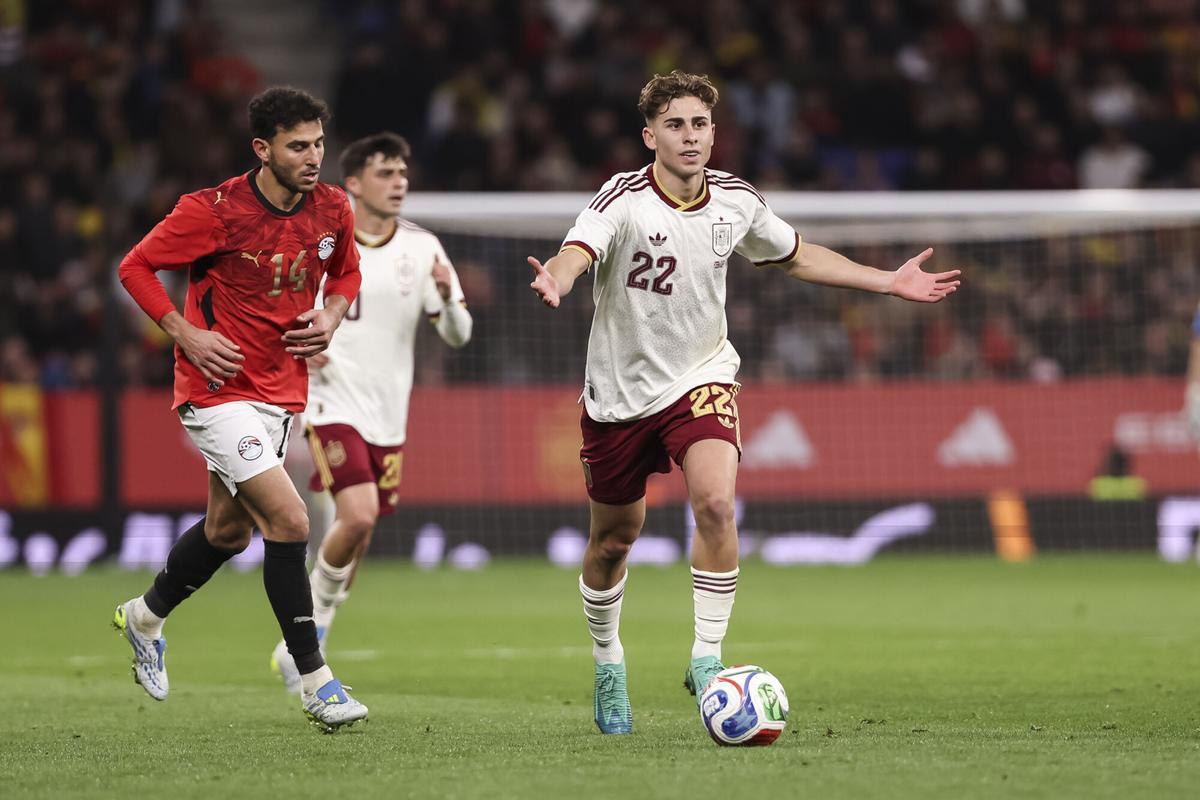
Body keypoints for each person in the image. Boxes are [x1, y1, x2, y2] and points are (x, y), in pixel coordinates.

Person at [527, 70, 960, 735]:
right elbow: (575, 252)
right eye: (675, 124)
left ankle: (706, 659)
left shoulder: (736, 200)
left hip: (703, 376)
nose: (690, 135)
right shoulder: (621, 199)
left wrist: (887, 282)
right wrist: (556, 280)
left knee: (718, 503)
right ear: (650, 136)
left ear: (714, 132)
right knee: (614, 540)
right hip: (618, 396)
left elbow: (795, 255)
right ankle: (609, 663)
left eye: (700, 123)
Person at [113, 86, 368, 732]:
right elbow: (136, 266)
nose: (313, 157)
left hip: (281, 391)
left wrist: (332, 316)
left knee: (228, 532)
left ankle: (143, 618)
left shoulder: (333, 208)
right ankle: (316, 683)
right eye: (297, 146)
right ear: (263, 149)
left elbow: (345, 275)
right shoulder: (213, 211)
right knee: (289, 519)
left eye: (318, 144)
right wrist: (185, 332)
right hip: (215, 388)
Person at [268, 132, 472, 692]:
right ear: (353, 184)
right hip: (330, 401)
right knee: (355, 516)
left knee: (361, 529)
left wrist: (451, 297)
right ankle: (307, 636)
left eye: (403, 172)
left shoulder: (424, 249)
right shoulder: (324, 245)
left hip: (389, 413)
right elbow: (285, 308)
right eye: (385, 173)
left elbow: (458, 336)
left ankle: (313, 629)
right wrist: (310, 344)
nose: (399, 182)